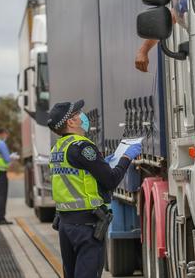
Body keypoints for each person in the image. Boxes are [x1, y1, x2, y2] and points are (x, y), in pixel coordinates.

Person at [47, 100, 141, 278]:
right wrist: (126, 157)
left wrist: (102, 163)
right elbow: (111, 180)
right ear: (71, 122)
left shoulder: (58, 148)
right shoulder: (82, 146)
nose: (83, 116)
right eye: (78, 113)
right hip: (86, 227)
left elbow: (79, 173)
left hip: (66, 225)